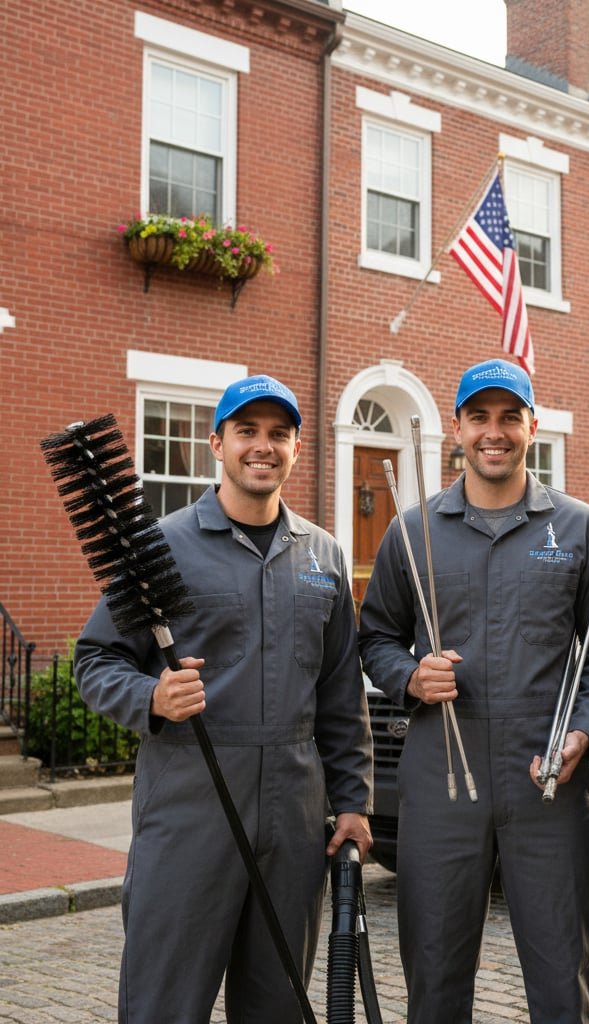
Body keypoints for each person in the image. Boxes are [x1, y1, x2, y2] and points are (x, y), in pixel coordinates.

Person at [74, 374, 373, 1024]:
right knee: (164, 1004)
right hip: (190, 811)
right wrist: (152, 695)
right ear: (217, 442)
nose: (262, 447)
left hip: (295, 818)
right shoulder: (160, 548)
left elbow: (341, 694)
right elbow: (95, 660)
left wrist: (352, 802)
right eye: (247, 431)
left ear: (296, 447)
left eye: (278, 434)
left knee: (278, 1006)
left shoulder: (322, 555)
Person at [357, 357, 589, 1024]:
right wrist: (411, 677)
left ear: (532, 425)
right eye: (480, 416)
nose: (495, 431)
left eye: (511, 416)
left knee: (562, 976)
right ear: (458, 428)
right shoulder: (410, 532)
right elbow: (375, 639)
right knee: (435, 970)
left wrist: (586, 732)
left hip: (546, 780)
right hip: (440, 783)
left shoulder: (578, 528)